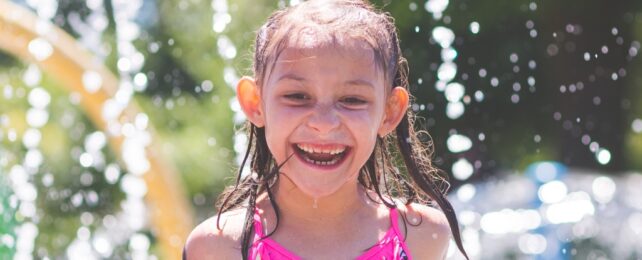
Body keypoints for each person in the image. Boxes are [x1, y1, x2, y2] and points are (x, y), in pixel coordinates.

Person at [185, 0, 468, 259]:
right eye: (297, 96)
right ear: (255, 103)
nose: (323, 123)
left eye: (352, 100)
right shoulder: (220, 247)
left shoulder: (420, 236)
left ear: (389, 112)